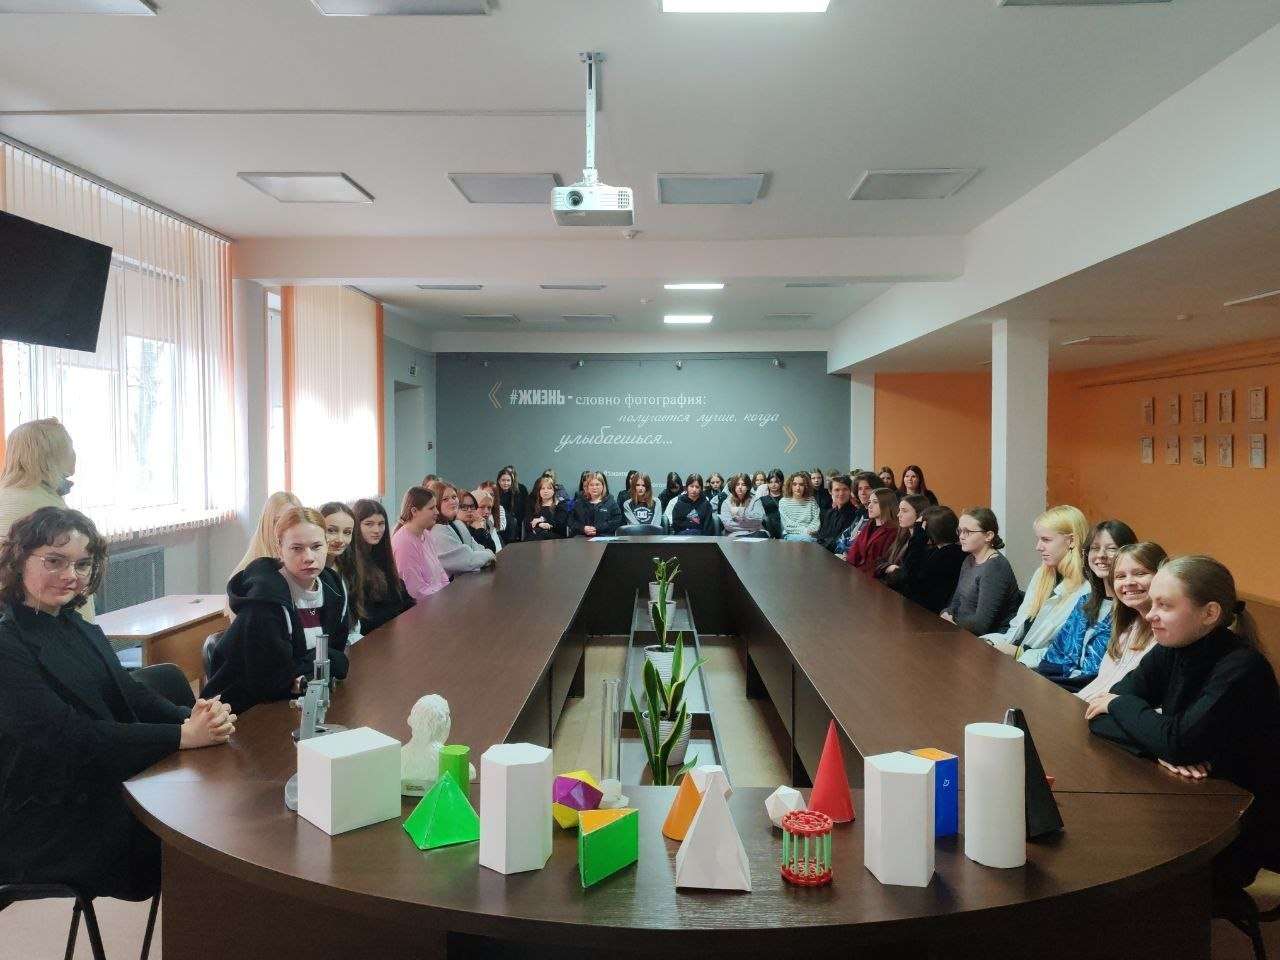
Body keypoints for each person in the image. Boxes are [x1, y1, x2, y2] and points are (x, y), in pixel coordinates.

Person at [0, 507, 233, 901]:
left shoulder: (76, 625)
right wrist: (181, 736)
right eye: (55, 561)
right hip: (43, 817)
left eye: (82, 564)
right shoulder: (7, 644)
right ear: (19, 560)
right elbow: (70, 736)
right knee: (198, 834)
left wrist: (194, 717)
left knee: (211, 808)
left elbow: (129, 691)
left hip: (92, 782)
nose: (71, 575)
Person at [1086, 556, 1280, 897]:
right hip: (1185, 801)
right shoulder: (1172, 648)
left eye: (1165, 605)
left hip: (1236, 830)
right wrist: (1157, 748)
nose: (1150, 615)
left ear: (1209, 613)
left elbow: (1165, 734)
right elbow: (1098, 717)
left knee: (1115, 871)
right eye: (1152, 604)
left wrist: (1127, 712)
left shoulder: (1242, 668)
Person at [204, 507, 352, 714]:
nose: (309, 557)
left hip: (299, 700)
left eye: (316, 546)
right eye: (297, 548)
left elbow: (337, 658)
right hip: (239, 709)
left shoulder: (334, 587)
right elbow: (271, 681)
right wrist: (317, 665)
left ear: (326, 545)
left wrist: (306, 672)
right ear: (279, 549)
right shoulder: (265, 599)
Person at [0, 419, 95, 620]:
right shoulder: (46, 509)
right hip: (37, 620)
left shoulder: (6, 494)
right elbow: (71, 577)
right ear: (57, 454)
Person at [983, 505, 1090, 667]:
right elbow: (1017, 628)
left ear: (1072, 541)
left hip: (1038, 671)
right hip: (1017, 659)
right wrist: (993, 642)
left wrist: (1019, 653)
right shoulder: (1042, 573)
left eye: (1046, 540)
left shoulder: (1086, 591)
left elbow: (1067, 655)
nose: (1038, 547)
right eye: (1039, 539)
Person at [1036, 520, 1137, 685]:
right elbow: (1055, 657)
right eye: (1095, 548)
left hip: (1092, 693)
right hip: (1059, 686)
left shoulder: (1134, 610)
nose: (1101, 555)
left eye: (1111, 548)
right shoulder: (1084, 603)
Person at [1077, 542, 1168, 702]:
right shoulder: (1126, 627)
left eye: (1140, 573)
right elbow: (1100, 685)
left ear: (1162, 576)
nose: (1129, 582)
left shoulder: (1169, 634)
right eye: (1120, 576)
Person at [941, 507, 1021, 635]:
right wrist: (946, 613)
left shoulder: (995, 567)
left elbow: (981, 625)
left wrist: (953, 621)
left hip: (987, 640)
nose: (961, 536)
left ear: (988, 536)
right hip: (963, 631)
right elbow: (956, 601)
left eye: (967, 532)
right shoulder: (969, 560)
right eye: (960, 531)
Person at [351, 498, 412, 634]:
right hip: (372, 636)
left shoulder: (381, 555)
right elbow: (365, 617)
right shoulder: (352, 563)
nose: (377, 530)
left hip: (394, 630)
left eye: (381, 524)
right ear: (356, 526)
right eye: (369, 524)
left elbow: (402, 597)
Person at [902, 506, 966, 613]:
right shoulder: (939, 551)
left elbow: (908, 578)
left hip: (928, 613)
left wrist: (917, 538)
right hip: (926, 609)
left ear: (929, 531)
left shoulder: (946, 556)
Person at [391, 486, 450, 601]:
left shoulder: (426, 534)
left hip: (437, 601)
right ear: (414, 511)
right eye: (431, 508)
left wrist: (448, 592)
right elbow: (415, 591)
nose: (437, 512)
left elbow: (440, 573)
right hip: (421, 608)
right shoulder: (403, 543)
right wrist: (443, 597)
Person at [230, 490, 303, 578]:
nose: (286, 529)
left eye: (292, 522)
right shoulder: (248, 575)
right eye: (277, 521)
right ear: (266, 525)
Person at [428, 482, 495, 575]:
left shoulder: (457, 524)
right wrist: (489, 555)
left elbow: (478, 549)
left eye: (454, 497)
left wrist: (484, 557)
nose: (452, 502)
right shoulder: (437, 531)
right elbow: (469, 561)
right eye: (445, 499)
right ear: (435, 503)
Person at [320, 501, 364, 641]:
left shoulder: (348, 567)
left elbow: (353, 621)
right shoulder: (310, 573)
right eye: (331, 530)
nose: (340, 539)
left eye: (347, 532)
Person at [878, 494, 930, 585]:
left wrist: (888, 569)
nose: (898, 515)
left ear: (919, 515)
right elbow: (880, 562)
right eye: (899, 510)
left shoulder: (923, 543)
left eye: (904, 511)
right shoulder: (902, 535)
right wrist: (890, 568)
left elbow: (905, 577)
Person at [846, 488, 898, 576]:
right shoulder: (868, 526)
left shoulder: (893, 531)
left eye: (875, 502)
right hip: (856, 573)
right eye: (870, 502)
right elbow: (854, 552)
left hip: (871, 578)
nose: (869, 506)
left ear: (886, 505)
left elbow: (880, 563)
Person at [568, 472, 623, 538]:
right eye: (591, 485)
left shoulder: (611, 502)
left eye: (597, 485)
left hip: (604, 537)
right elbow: (571, 521)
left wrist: (597, 529)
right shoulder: (579, 503)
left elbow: (617, 521)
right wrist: (583, 528)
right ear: (587, 487)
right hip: (582, 538)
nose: (594, 487)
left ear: (603, 486)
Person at [815, 474, 856, 553]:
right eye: (837, 490)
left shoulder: (855, 514)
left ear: (850, 491)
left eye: (845, 489)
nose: (841, 493)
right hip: (823, 552)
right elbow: (821, 536)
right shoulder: (829, 513)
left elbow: (841, 541)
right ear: (830, 492)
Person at [780, 471, 821, 542]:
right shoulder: (783, 502)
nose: (798, 488)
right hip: (791, 535)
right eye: (794, 484)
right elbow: (787, 524)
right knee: (808, 540)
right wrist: (805, 531)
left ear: (806, 486)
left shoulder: (812, 501)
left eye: (801, 485)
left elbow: (816, 521)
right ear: (790, 486)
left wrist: (809, 531)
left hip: (810, 535)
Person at [526, 475, 568, 540]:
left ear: (554, 491)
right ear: (539, 491)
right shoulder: (534, 505)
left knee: (542, 535)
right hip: (536, 535)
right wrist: (539, 524)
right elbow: (528, 523)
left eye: (549, 488)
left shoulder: (561, 505)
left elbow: (560, 524)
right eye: (543, 488)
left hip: (555, 537)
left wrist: (542, 520)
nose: (545, 491)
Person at [748, 469, 785, 539]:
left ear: (781, 482)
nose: (773, 485)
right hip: (767, 529)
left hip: (784, 527)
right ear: (767, 483)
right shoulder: (762, 499)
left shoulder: (786, 499)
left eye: (776, 482)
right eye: (770, 482)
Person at [496, 466, 526, 544]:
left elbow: (519, 513)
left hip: (513, 524)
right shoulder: (494, 493)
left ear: (512, 481)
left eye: (508, 480)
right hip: (498, 521)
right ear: (499, 481)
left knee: (512, 520)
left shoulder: (517, 493)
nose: (506, 483)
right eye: (503, 480)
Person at [469, 487, 504, 553]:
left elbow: (494, 549)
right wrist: (480, 530)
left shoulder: (489, 525)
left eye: (489, 508)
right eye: (482, 507)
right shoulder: (465, 528)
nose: (486, 511)